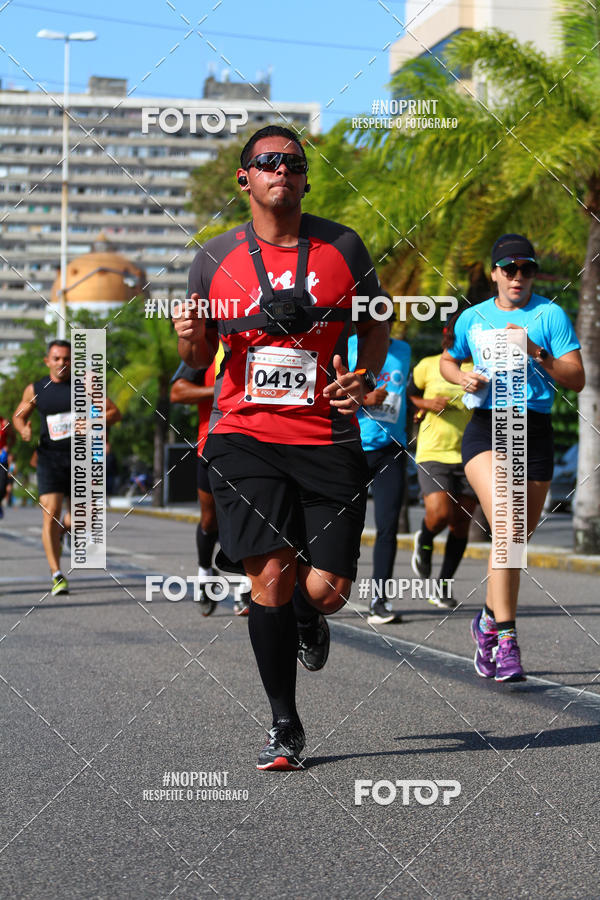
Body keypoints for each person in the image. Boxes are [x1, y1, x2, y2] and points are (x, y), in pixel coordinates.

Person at [174, 125, 389, 769]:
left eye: (294, 163)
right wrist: (188, 334)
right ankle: (285, 724)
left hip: (326, 434)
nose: (282, 172)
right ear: (245, 178)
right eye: (268, 162)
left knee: (326, 589)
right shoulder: (213, 259)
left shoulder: (343, 247)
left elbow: (376, 321)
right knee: (266, 573)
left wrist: (366, 375)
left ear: (305, 178)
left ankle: (307, 613)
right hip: (244, 435)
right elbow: (196, 356)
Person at [440, 234, 584, 681]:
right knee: (505, 522)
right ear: (494, 273)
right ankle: (506, 640)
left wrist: (536, 352)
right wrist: (461, 377)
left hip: (533, 429)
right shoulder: (472, 317)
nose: (518, 276)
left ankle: (485, 619)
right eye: (509, 268)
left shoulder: (549, 315)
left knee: (514, 542)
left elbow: (576, 378)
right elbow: (447, 360)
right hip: (487, 427)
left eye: (527, 269)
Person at [12, 340, 121, 596]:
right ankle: (57, 574)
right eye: (57, 358)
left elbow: (114, 413)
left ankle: (62, 531)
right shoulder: (37, 389)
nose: (62, 363)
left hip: (81, 458)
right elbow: (19, 416)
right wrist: (23, 429)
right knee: (51, 512)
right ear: (47, 361)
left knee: (81, 517)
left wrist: (94, 419)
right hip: (49, 458)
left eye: (67, 359)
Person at [170, 345, 250, 617]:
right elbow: (177, 392)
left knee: (247, 519)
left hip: (258, 449)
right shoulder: (211, 347)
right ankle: (205, 574)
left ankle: (245, 586)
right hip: (211, 447)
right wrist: (220, 392)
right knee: (210, 520)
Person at [408, 314, 477, 609]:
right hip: (434, 452)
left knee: (460, 523)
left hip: (472, 454)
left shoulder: (481, 370)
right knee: (439, 513)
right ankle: (424, 536)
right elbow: (409, 395)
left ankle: (443, 586)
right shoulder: (429, 365)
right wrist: (426, 404)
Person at [347, 332, 411, 624]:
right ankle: (326, 591)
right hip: (353, 449)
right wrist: (365, 398)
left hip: (391, 451)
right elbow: (328, 396)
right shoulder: (347, 347)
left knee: (388, 527)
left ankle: (379, 599)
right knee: (345, 526)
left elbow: (406, 394)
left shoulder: (404, 351)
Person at [0, 413, 15, 518]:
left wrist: (7, 448)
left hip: (2, 460)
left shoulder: (4, 423)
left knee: (2, 488)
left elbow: (13, 438)